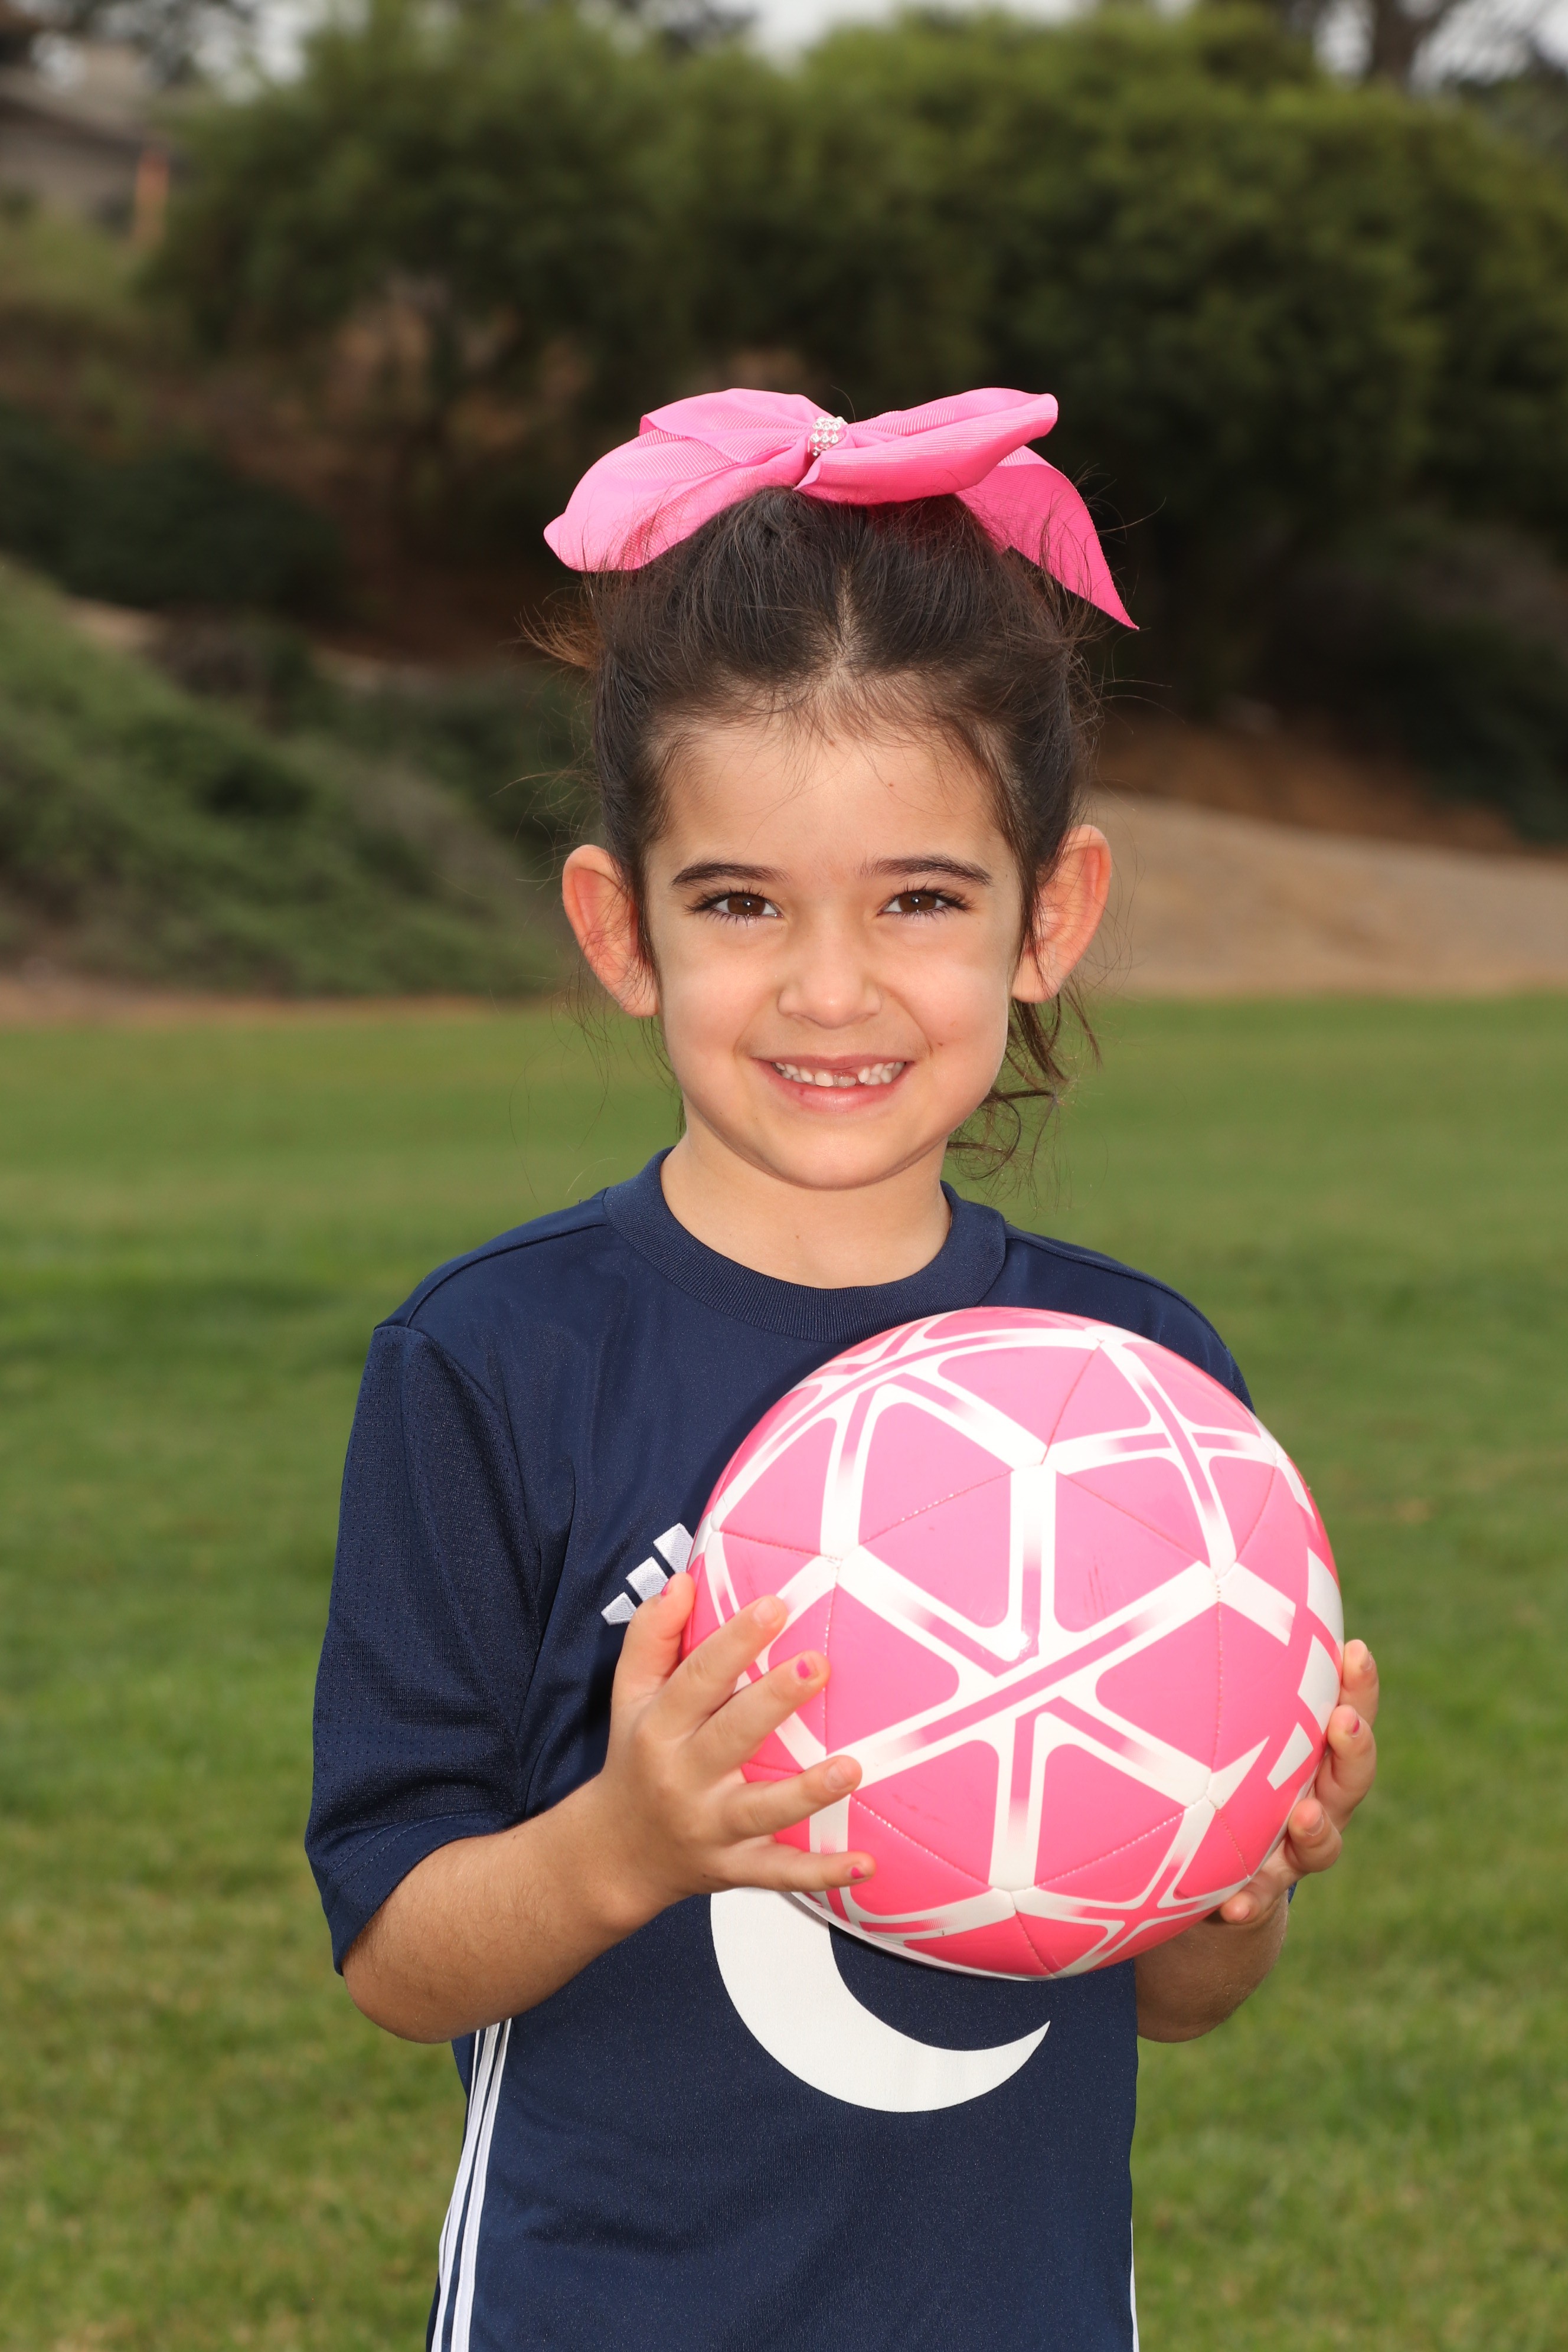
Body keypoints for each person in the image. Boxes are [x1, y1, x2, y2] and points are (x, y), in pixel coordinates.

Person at [306, 390, 1379, 2351]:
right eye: (740, 903)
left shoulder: (1143, 1390)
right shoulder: (498, 1360)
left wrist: (1238, 1862)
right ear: (620, 928)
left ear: (1050, 916)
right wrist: (627, 1843)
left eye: (920, 899)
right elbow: (395, 1952)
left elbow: (1179, 1998)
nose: (829, 986)